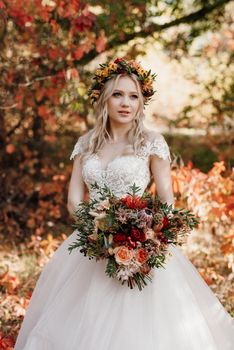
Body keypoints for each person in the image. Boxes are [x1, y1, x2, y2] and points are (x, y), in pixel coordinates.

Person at [14, 58, 234, 350]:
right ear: (104, 99)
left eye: (133, 96)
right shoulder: (86, 144)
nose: (125, 103)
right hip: (91, 244)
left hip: (140, 243)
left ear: (142, 102)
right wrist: (97, 235)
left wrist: (146, 238)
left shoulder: (151, 143)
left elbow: (166, 199)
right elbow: (73, 200)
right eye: (117, 94)